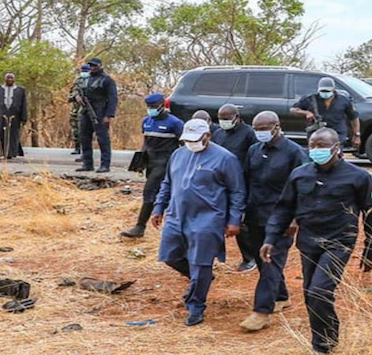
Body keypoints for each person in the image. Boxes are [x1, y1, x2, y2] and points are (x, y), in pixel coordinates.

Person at [260, 128, 372, 354]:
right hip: (308, 241)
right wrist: (270, 238)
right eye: (312, 146)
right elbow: (283, 208)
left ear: (337, 148)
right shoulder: (299, 174)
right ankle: (323, 338)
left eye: (322, 146)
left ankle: (324, 345)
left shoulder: (358, 177)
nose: (316, 150)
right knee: (310, 293)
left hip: (339, 242)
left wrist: (371, 250)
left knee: (319, 291)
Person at [151, 119, 246, 326]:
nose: (191, 143)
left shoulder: (225, 159)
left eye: (195, 140)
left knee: (201, 263)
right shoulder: (178, 155)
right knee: (169, 255)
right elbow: (167, 183)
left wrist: (234, 220)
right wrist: (159, 207)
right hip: (177, 215)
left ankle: (196, 305)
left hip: (208, 218)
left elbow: (237, 191)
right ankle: (201, 278)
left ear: (207, 136)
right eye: (187, 140)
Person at [239, 111, 309, 331]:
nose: (260, 133)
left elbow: (304, 189)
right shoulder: (253, 151)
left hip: (281, 219)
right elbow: (246, 182)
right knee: (262, 261)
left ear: (277, 127)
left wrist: (295, 219)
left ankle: (262, 311)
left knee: (270, 261)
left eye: (264, 129)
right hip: (255, 215)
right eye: (256, 129)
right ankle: (281, 296)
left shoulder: (294, 153)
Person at [120, 93, 184, 238]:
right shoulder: (146, 121)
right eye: (149, 107)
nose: (151, 109)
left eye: (154, 107)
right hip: (151, 161)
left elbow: (184, 145)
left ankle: (140, 227)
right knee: (161, 194)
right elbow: (146, 143)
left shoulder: (175, 123)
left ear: (162, 106)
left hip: (166, 161)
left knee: (150, 192)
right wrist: (140, 161)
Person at [212, 104, 257, 272]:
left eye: (227, 119)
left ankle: (250, 257)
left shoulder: (248, 134)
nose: (224, 122)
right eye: (221, 119)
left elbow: (254, 156)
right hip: (220, 182)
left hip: (241, 181)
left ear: (237, 117)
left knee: (240, 221)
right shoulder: (218, 133)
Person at [291, 77, 360, 148]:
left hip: (337, 134)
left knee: (335, 156)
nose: (325, 93)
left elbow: (354, 117)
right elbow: (293, 110)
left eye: (327, 91)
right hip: (317, 136)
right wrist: (305, 113)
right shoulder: (310, 99)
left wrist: (356, 135)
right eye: (322, 91)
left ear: (333, 89)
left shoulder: (343, 100)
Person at [75, 58, 118, 173]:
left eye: (94, 65)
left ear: (100, 65)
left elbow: (113, 99)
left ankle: (105, 165)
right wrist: (78, 98)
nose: (92, 67)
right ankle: (87, 164)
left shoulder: (107, 80)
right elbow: (78, 92)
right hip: (85, 111)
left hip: (100, 112)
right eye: (91, 65)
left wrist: (109, 115)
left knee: (102, 139)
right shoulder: (86, 79)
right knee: (84, 138)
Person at [0, 73, 27, 160]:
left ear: (14, 79)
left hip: (15, 115)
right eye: (8, 78)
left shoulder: (20, 90)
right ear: (4, 79)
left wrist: (24, 117)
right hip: (0, 114)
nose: (9, 79)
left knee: (13, 134)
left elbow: (24, 104)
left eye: (11, 78)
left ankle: (11, 153)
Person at [67, 64, 91, 156]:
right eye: (83, 71)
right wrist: (76, 96)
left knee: (86, 130)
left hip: (88, 109)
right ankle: (77, 147)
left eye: (86, 71)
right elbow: (71, 94)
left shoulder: (93, 80)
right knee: (75, 129)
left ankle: (86, 149)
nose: (84, 73)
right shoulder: (77, 81)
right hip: (76, 109)